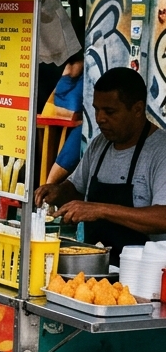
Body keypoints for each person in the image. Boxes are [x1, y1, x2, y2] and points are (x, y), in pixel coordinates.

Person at [35, 66, 166, 262]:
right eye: (96, 109)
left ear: (138, 109)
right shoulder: (99, 144)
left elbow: (162, 217)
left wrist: (100, 210)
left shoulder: (160, 151)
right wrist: (58, 192)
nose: (100, 118)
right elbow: (77, 188)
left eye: (110, 111)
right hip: (95, 268)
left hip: (142, 277)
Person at [40, 52, 85, 185]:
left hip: (55, 104)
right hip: (64, 104)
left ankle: (47, 187)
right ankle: (48, 186)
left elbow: (72, 69)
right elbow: (73, 69)